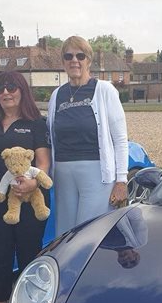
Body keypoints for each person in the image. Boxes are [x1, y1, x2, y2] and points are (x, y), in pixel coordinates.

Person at [0, 71, 50, 303]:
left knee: (29, 255)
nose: (6, 92)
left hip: (30, 201)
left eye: (11, 87)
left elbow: (43, 161)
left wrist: (34, 184)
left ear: (22, 90)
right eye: (1, 88)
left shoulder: (35, 123)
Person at [47, 35, 129, 234]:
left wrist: (121, 180)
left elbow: (120, 139)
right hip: (63, 173)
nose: (74, 60)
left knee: (89, 233)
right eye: (68, 56)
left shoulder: (104, 90)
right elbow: (51, 138)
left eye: (80, 56)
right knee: (64, 234)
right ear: (63, 62)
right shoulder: (57, 95)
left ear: (88, 61)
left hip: (96, 173)